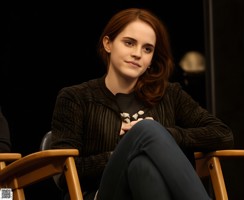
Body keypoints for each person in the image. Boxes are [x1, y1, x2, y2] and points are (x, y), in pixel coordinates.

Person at [50, 8, 234, 200]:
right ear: (108, 44)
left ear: (151, 59)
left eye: (147, 49)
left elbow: (223, 134)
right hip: (101, 194)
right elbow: (63, 172)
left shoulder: (169, 94)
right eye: (129, 43)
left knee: (143, 165)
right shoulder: (75, 97)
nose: (138, 54)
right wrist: (127, 150)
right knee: (146, 130)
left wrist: (167, 134)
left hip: (149, 185)